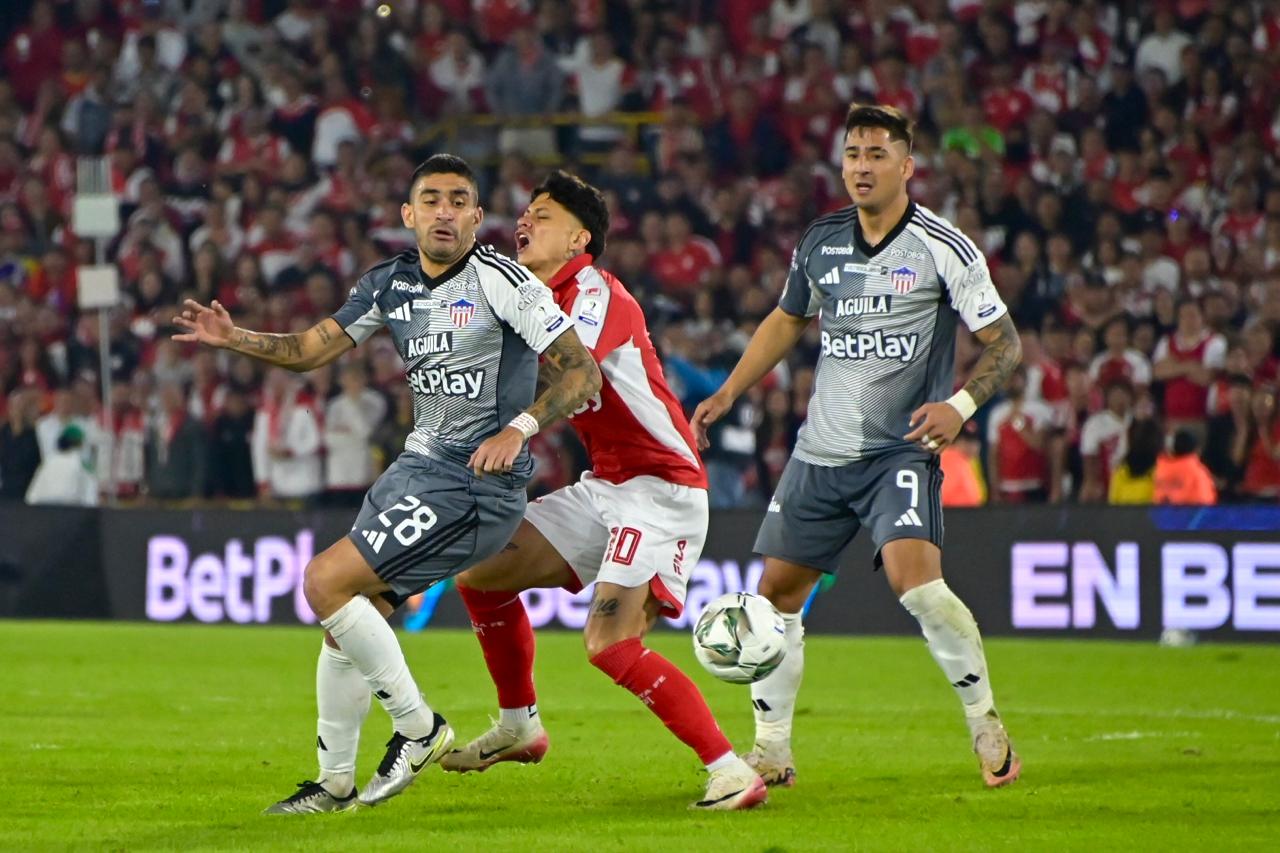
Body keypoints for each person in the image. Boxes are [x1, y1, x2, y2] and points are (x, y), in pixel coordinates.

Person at [172, 154, 601, 814]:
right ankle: (334, 782)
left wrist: (519, 426)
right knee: (349, 618)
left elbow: (581, 375)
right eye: (431, 200)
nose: (444, 211)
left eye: (459, 200)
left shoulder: (505, 280)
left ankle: (419, 726)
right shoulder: (387, 284)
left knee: (323, 581)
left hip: (473, 483)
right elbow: (313, 349)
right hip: (416, 470)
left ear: (477, 218)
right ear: (408, 215)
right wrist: (235, 339)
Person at [692, 104, 1024, 790]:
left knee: (919, 585)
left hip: (898, 451)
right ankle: (773, 751)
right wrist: (729, 390)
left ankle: (986, 722)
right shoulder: (821, 240)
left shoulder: (942, 245)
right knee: (776, 597)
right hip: (820, 453)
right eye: (852, 154)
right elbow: (788, 319)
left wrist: (960, 406)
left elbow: (1006, 343)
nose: (861, 167)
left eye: (876, 154)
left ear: (907, 166)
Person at [436, 171, 767, 811]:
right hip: (606, 486)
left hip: (661, 488)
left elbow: (573, 372)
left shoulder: (593, 290)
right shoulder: (531, 298)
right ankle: (518, 725)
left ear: (579, 238)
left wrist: (513, 424)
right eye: (524, 213)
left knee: (610, 644)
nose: (523, 223)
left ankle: (729, 770)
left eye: (542, 215)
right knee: (479, 576)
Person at [25, 424, 98, 506]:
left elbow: (31, 497)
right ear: (80, 444)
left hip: (43, 513)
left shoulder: (48, 463)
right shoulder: (82, 465)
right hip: (72, 513)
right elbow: (90, 500)